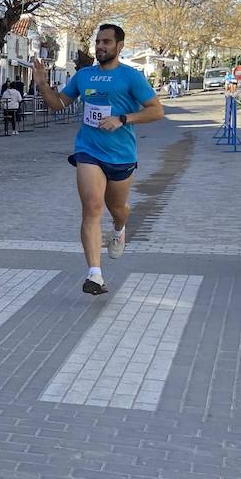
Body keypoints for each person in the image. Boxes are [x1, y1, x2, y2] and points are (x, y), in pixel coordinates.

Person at [33, 24, 164, 296]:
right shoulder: (84, 75)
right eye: (98, 41)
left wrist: (123, 119)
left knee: (117, 208)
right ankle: (95, 274)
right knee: (92, 206)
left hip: (121, 155)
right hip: (89, 150)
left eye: (106, 42)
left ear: (119, 46)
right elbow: (58, 104)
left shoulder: (131, 77)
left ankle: (119, 227)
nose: (100, 46)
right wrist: (43, 84)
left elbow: (156, 111)